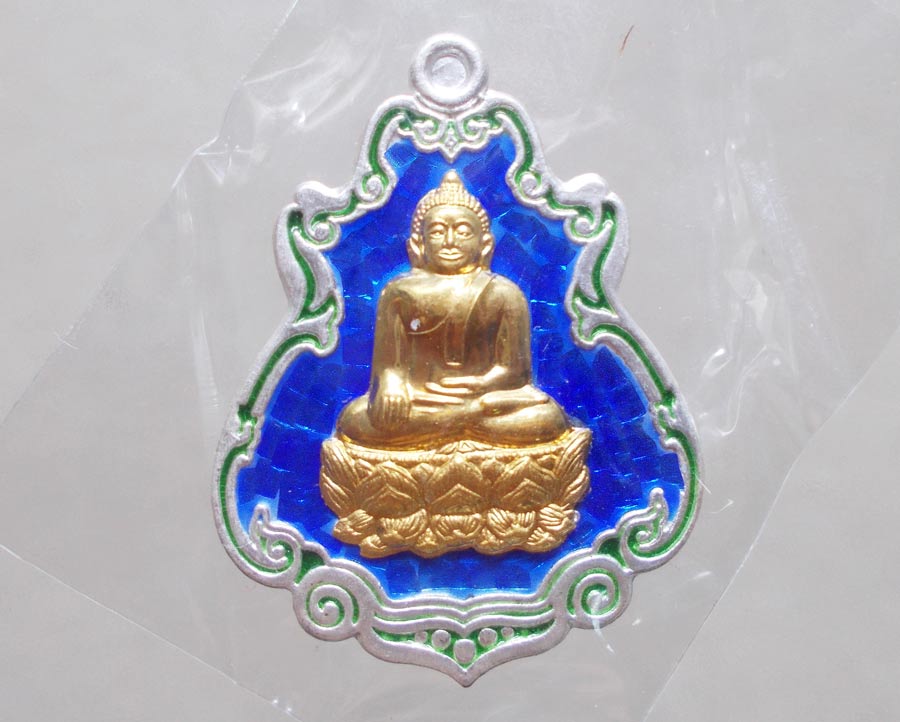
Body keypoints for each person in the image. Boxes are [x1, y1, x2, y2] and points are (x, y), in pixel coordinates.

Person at [336, 170, 571, 450]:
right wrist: (392, 387)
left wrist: (479, 385)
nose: (450, 240)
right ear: (419, 244)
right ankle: (462, 422)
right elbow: (388, 368)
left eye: (463, 231)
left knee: (547, 418)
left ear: (484, 244)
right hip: (422, 402)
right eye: (437, 231)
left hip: (485, 401)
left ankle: (458, 421)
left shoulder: (504, 292)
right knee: (354, 419)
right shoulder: (399, 292)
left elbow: (515, 372)